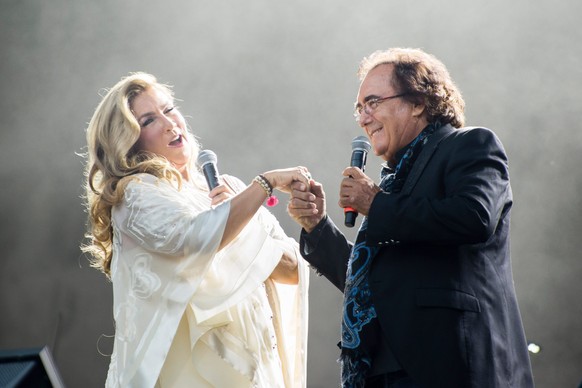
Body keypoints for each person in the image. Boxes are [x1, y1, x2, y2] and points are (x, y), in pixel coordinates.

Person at [287, 48, 534, 387]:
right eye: (359, 109)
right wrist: (317, 227)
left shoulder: (470, 145)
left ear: (418, 101)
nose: (363, 118)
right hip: (384, 370)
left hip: (451, 365)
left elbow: (474, 216)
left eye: (372, 102)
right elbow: (375, 281)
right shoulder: (393, 182)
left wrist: (376, 204)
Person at [81, 72, 311, 388]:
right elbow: (193, 238)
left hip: (254, 369)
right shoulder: (136, 194)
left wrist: (242, 220)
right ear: (129, 142)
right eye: (148, 120)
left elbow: (293, 270)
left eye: (169, 109)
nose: (169, 123)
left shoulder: (230, 189)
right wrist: (265, 184)